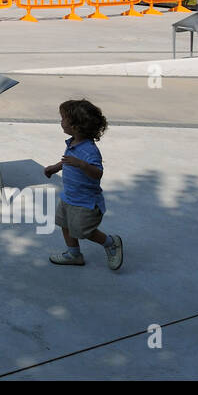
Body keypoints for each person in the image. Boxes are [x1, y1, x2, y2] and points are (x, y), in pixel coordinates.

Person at [43, 99, 122, 270]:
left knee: (84, 231)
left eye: (63, 118)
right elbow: (67, 161)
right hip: (69, 196)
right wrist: (55, 168)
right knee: (64, 224)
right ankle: (74, 254)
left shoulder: (90, 150)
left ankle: (111, 242)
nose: (61, 122)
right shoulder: (72, 142)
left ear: (76, 126)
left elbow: (98, 173)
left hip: (85, 202)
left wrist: (83, 165)